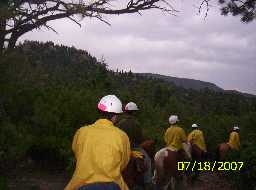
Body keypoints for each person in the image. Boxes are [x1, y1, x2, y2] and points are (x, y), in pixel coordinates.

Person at [65, 95, 131, 190]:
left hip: (82, 184)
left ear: (99, 111)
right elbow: (124, 162)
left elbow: (77, 153)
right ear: (115, 116)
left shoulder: (81, 131)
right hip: (112, 185)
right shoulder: (122, 136)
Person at [116, 102, 152, 190]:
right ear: (134, 112)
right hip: (135, 148)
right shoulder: (136, 123)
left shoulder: (120, 123)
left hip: (123, 148)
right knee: (148, 161)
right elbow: (140, 139)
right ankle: (147, 183)